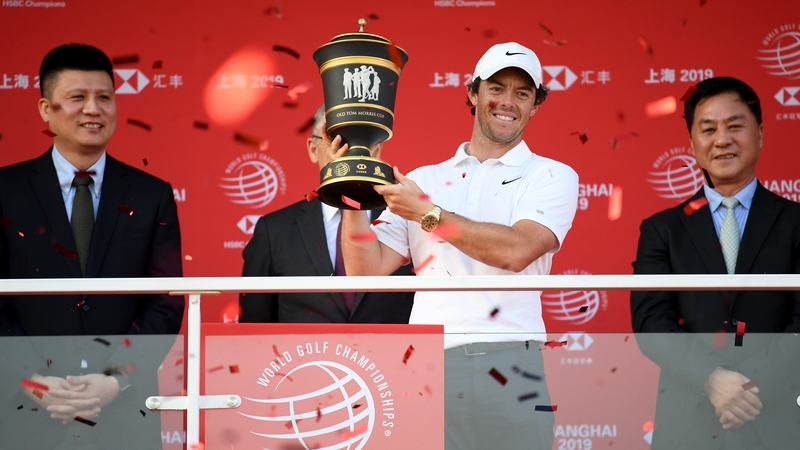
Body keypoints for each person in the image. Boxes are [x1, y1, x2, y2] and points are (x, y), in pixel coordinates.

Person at [338, 42, 579, 449]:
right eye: (496, 88)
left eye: (522, 93)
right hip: (430, 363)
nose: (508, 102)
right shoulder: (423, 179)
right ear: (473, 93)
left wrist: (428, 214)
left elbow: (516, 251)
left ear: (536, 104)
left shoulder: (553, 176)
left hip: (513, 364)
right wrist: (350, 188)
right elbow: (366, 269)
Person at [0, 43, 184, 449]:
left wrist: (116, 379)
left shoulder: (150, 194)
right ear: (46, 109)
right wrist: (28, 377)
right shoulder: (5, 192)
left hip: (121, 410)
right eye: (77, 98)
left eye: (104, 97)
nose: (93, 109)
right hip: (21, 409)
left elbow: (166, 302)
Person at [631, 77, 800, 449]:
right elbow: (650, 321)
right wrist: (712, 378)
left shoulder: (795, 223)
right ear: (692, 143)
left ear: (760, 133)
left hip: (779, 418)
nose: (722, 139)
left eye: (735, 125)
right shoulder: (662, 230)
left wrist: (749, 387)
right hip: (690, 419)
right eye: (708, 129)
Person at [239, 104, 415, 324]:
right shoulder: (274, 230)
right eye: (336, 142)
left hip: (394, 356)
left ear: (376, 152)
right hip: (305, 357)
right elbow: (254, 327)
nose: (346, 154)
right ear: (313, 149)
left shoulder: (404, 222)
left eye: (357, 144)